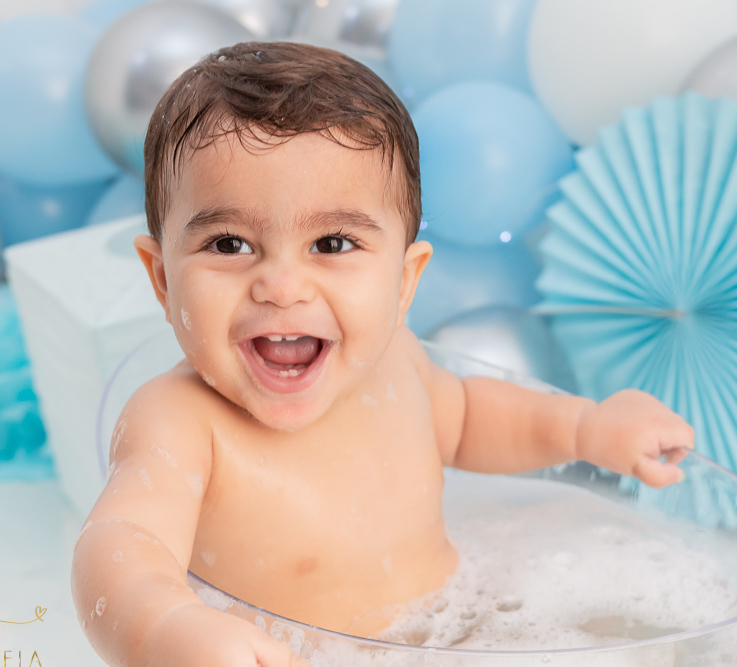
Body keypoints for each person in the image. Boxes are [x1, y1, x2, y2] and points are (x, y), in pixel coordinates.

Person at [70, 41, 694, 667]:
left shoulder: (397, 365)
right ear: (162, 279)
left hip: (463, 630)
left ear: (403, 281)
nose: (282, 287)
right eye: (230, 244)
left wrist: (586, 427)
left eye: (332, 243)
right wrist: (167, 627)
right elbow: (123, 542)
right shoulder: (179, 423)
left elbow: (474, 418)